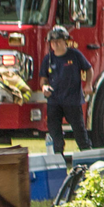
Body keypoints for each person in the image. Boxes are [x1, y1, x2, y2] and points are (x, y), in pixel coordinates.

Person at [42, 25, 93, 156]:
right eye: (53, 42)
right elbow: (43, 79)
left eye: (59, 41)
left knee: (80, 133)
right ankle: (59, 161)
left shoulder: (74, 55)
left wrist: (88, 84)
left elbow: (88, 69)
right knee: (55, 134)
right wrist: (44, 87)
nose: (56, 44)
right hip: (54, 101)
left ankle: (88, 158)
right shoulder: (48, 59)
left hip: (73, 101)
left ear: (65, 41)